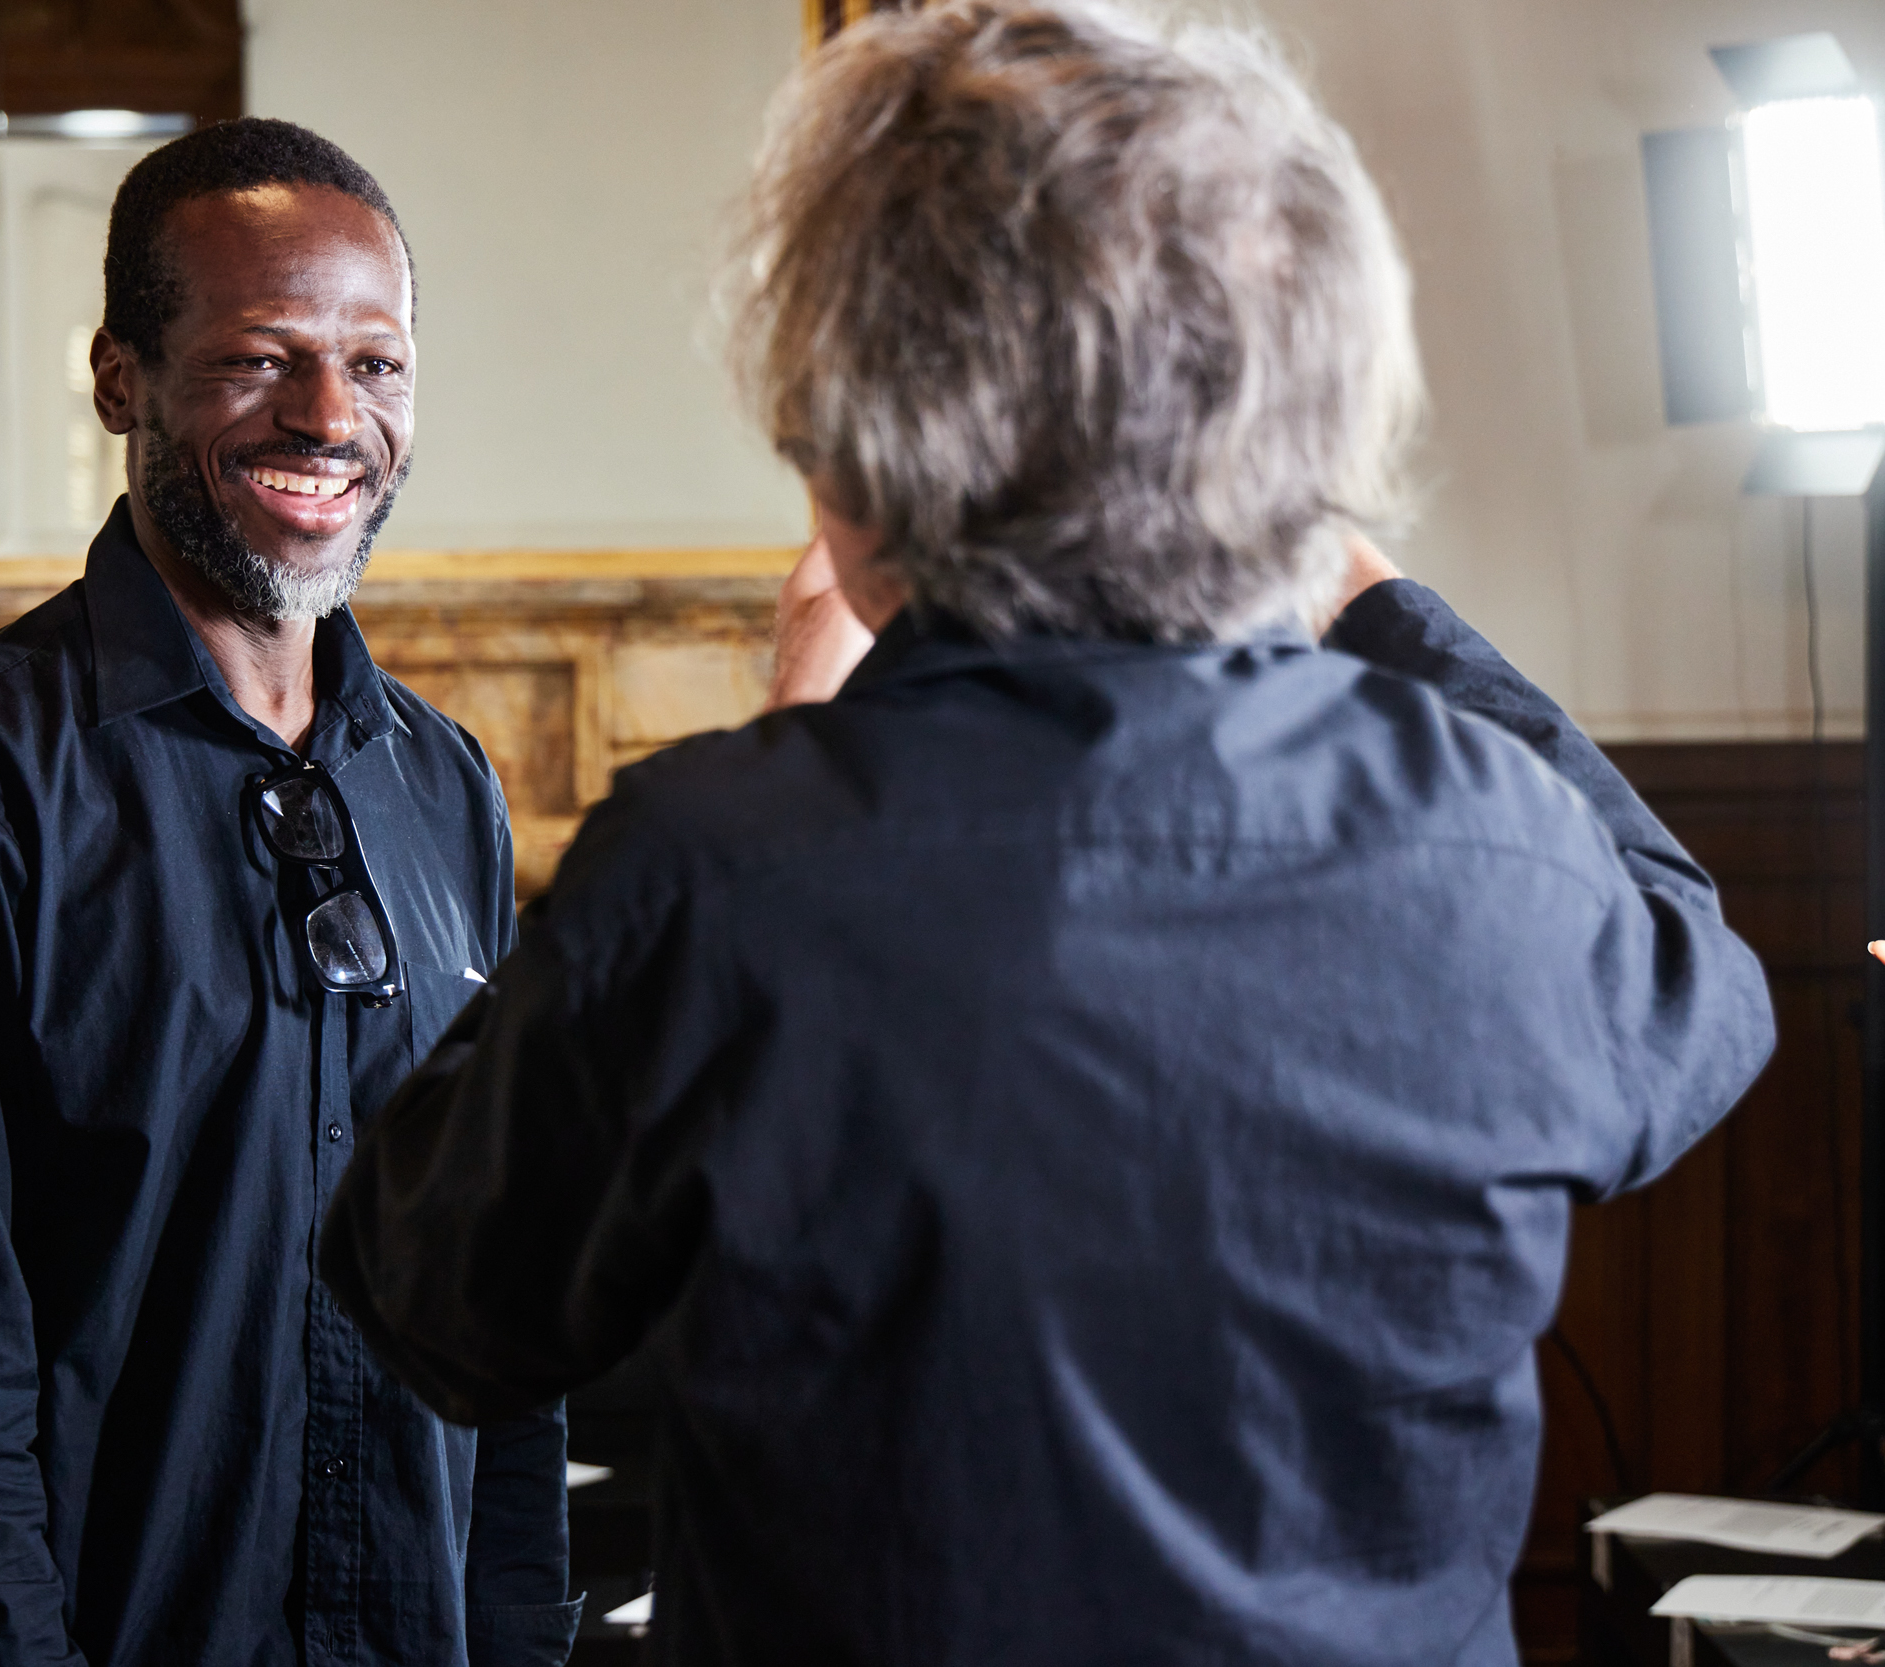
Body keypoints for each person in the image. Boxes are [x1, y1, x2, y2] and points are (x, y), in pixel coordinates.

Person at [317, 5, 1775, 1664]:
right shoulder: (1495, 853)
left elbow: (432, 1288)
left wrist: (791, 745)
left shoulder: (723, 867)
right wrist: (1367, 592)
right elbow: (1698, 976)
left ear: (856, 439)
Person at [0, 119, 578, 1667]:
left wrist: (522, 1639)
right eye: (260, 359)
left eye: (379, 364)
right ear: (119, 379)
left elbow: (502, 1298)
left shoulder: (446, 790)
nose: (330, 416)